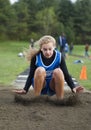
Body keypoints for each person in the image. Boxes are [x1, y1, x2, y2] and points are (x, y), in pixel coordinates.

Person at [13, 35, 84, 100]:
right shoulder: (36, 57)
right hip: (40, 85)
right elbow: (31, 74)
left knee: (58, 71)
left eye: (50, 49)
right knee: (40, 70)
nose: (48, 52)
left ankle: (60, 100)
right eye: (45, 49)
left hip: (52, 86)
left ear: (54, 47)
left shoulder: (59, 56)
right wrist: (25, 89)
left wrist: (73, 87)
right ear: (41, 49)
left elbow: (66, 74)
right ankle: (36, 100)